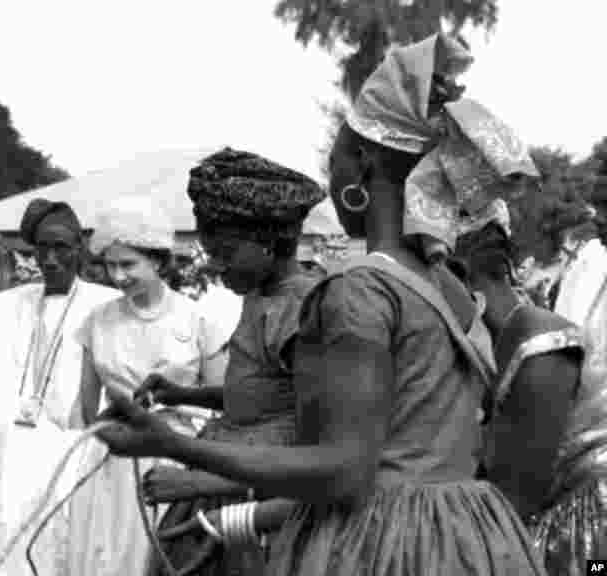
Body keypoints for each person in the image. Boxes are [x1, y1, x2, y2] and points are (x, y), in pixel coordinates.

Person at [94, 32, 547, 575]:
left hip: (385, 544)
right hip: (466, 534)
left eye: (334, 156)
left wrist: (175, 446)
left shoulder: (358, 292)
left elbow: (342, 472)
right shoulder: (445, 283)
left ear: (357, 165)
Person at [135, 148, 325, 575]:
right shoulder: (260, 294)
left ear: (270, 242)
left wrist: (199, 482)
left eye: (225, 251)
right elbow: (261, 398)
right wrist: (182, 394)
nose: (216, 265)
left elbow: (319, 453)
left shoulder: (302, 311)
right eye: (209, 252)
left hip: (259, 511)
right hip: (225, 484)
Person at [66, 196, 231, 576]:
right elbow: (86, 404)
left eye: (128, 264)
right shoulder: (97, 321)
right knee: (109, 555)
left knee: (167, 554)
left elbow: (224, 403)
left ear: (156, 260)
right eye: (110, 265)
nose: (118, 276)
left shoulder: (197, 319)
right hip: (114, 458)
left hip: (178, 456)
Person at [0, 198, 120, 575]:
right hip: (9, 450)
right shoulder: (2, 307)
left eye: (60, 248)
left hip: (78, 449)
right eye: (41, 248)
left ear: (79, 248)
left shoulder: (108, 307)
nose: (49, 259)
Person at [454, 212, 602, 575]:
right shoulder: (490, 345)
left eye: (450, 277)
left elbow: (515, 501)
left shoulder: (538, 339)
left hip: (588, 542)